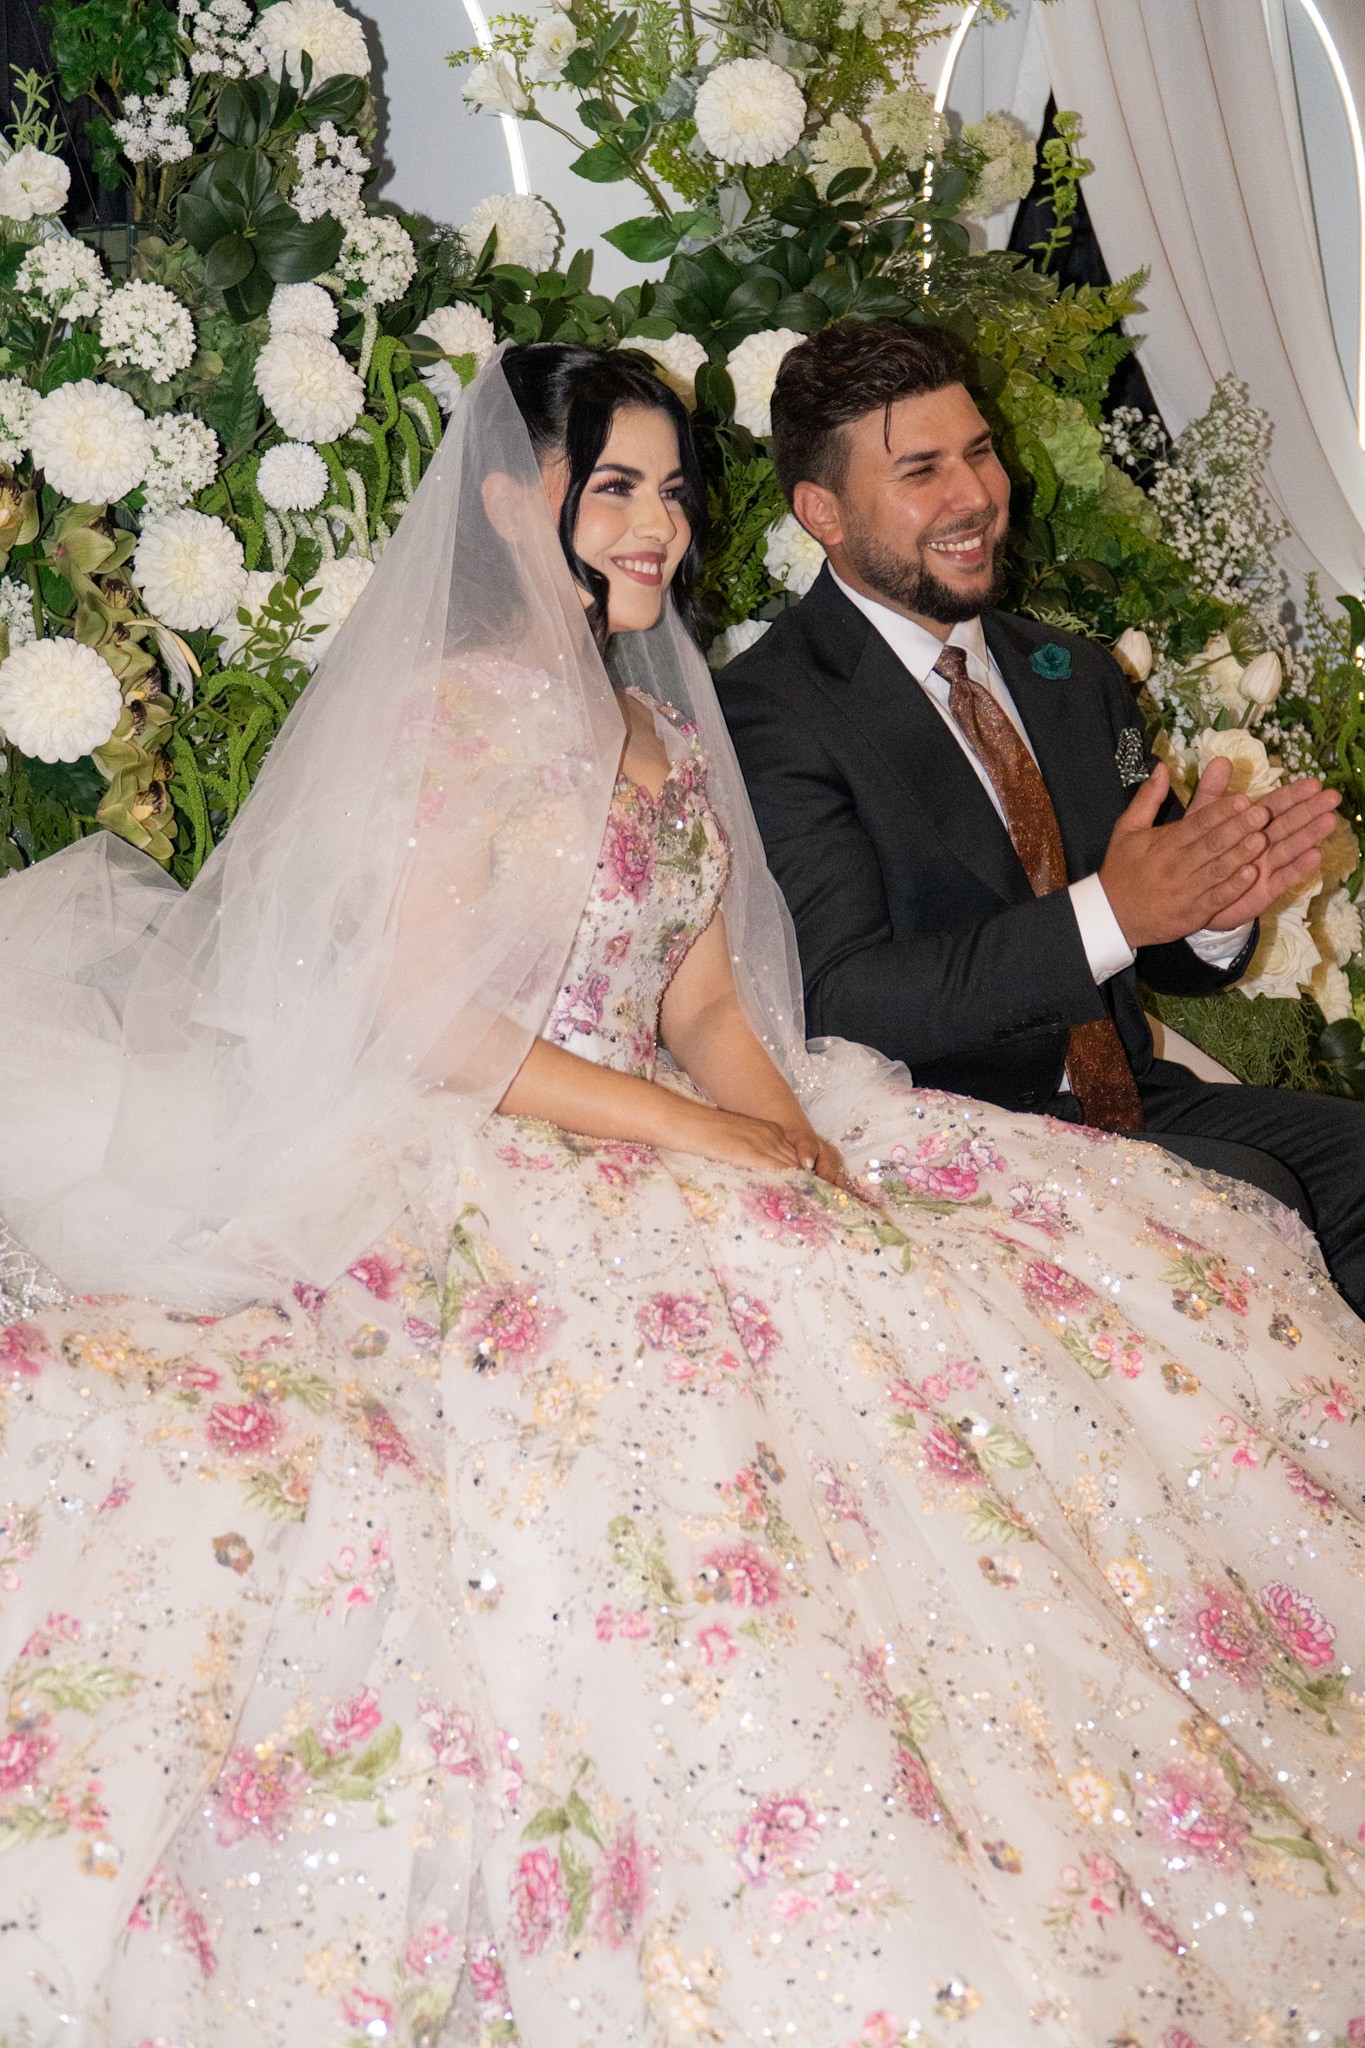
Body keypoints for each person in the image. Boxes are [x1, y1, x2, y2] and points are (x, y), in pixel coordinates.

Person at [0, 344, 1362, 2046]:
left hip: (674, 1124)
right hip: (503, 1147)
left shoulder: (656, 720)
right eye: (616, 489)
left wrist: (788, 1138)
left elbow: (706, 999)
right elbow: (434, 1027)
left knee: (992, 1290)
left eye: (669, 491)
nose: (656, 526)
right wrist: (693, 1139)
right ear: (519, 503)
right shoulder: (455, 717)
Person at [718, 317, 1365, 1320]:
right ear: (822, 511)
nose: (975, 493)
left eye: (978, 451)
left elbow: (1164, 948)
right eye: (922, 470)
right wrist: (1113, 911)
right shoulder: (770, 710)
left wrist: (1213, 906)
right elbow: (844, 999)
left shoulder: (1074, 675)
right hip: (947, 1142)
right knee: (1246, 1204)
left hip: (1129, 1104)